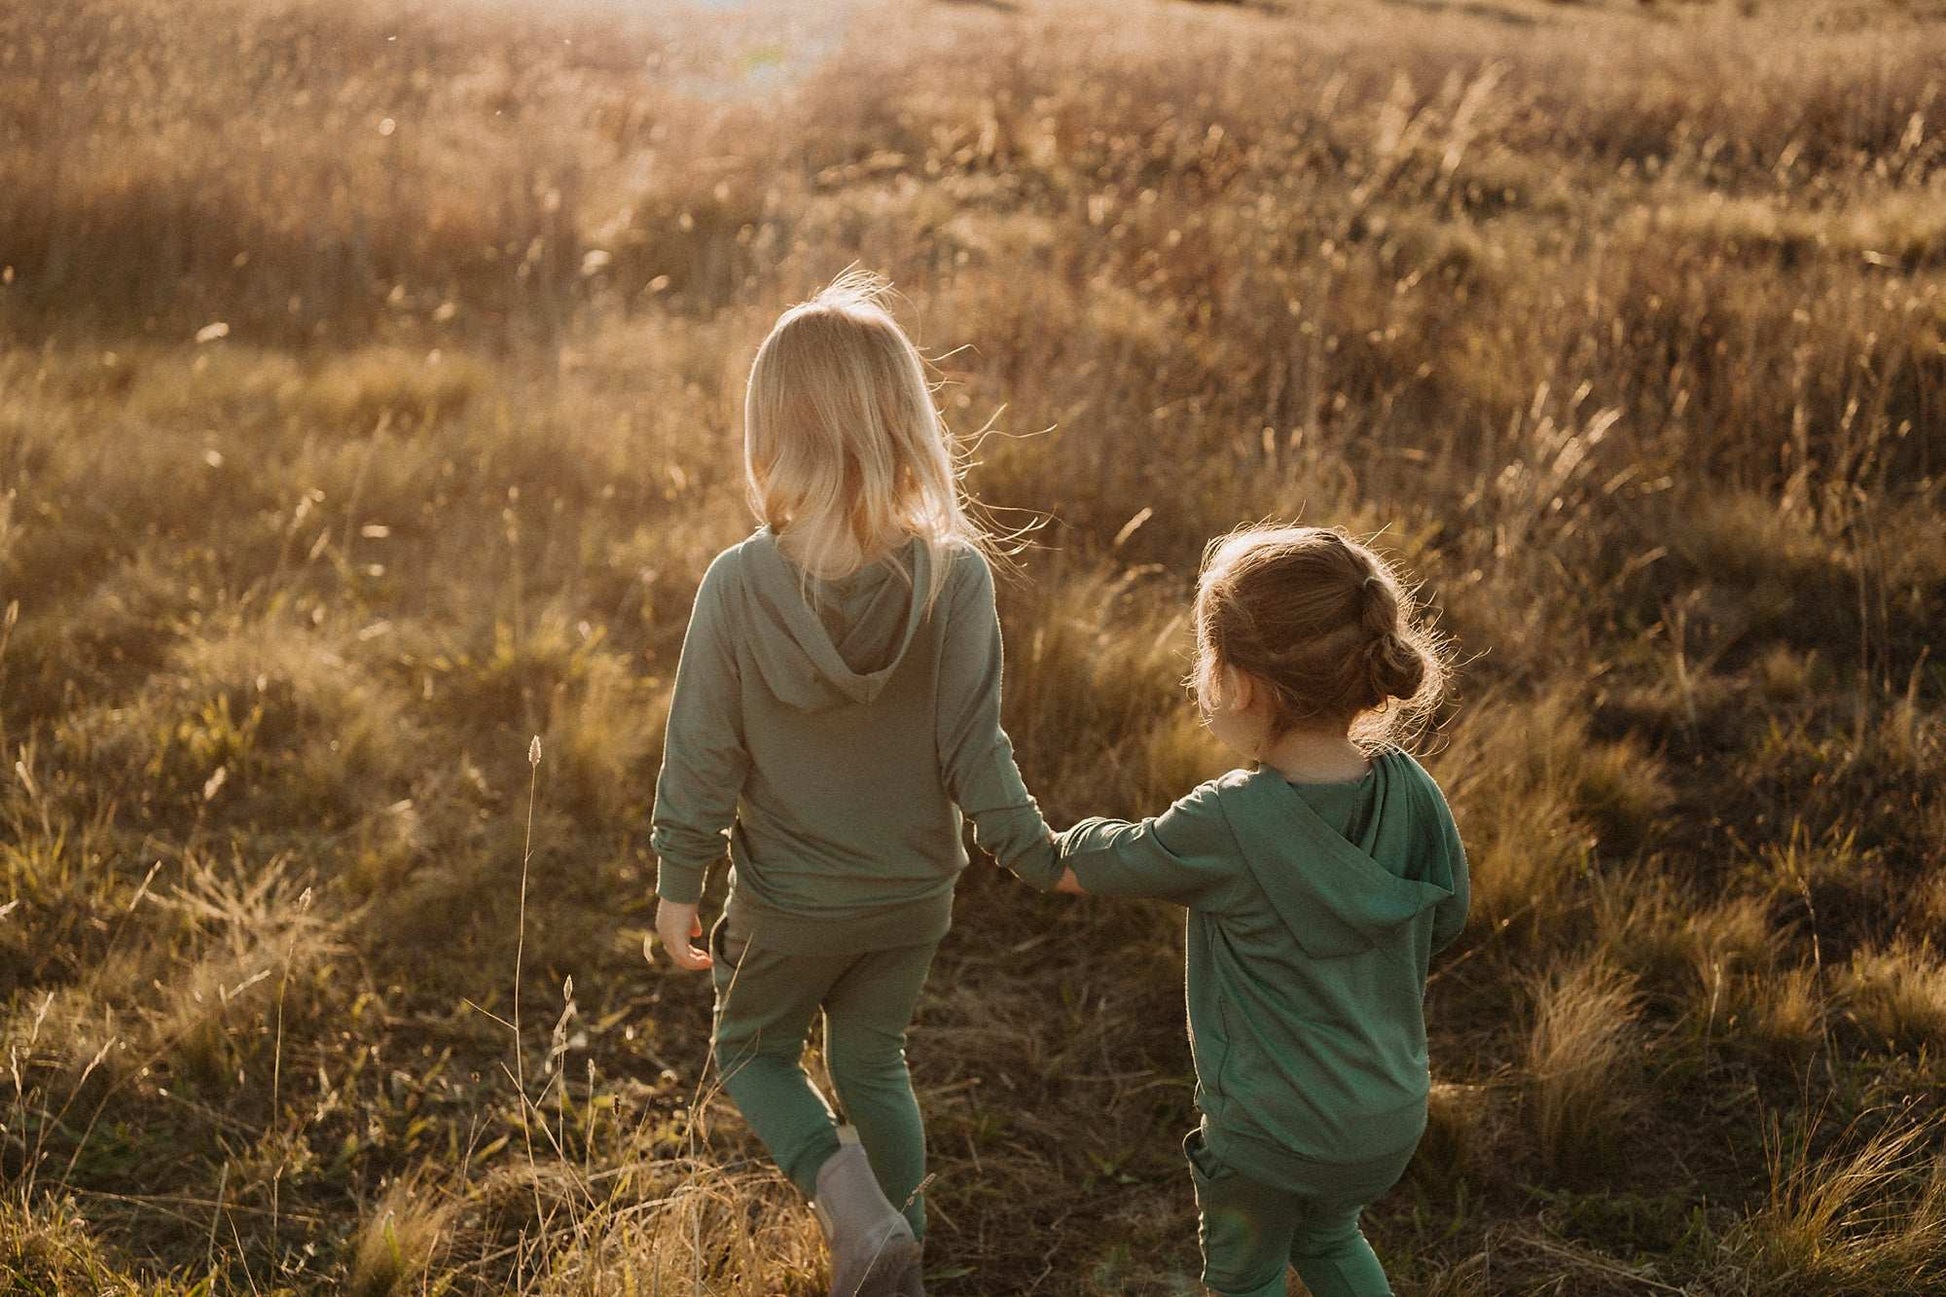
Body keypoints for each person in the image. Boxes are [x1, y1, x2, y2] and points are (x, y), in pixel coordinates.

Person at [649, 272, 1054, 1297]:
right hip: (912, 898)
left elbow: (702, 754)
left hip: (789, 905)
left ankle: (854, 1213)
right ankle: (899, 1247)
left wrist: (676, 882)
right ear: (902, 423)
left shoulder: (739, 586)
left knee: (750, 1052)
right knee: (874, 1063)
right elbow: (976, 751)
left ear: (769, 432)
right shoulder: (954, 578)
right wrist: (1042, 854)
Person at [1016, 525, 1468, 1297]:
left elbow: (1084, 864)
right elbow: (1447, 921)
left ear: (1244, 684)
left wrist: (1014, 827)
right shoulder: (1413, 787)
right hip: (1386, 1118)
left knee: (1245, 1277)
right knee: (1329, 1237)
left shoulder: (1228, 820)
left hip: (1266, 1138)